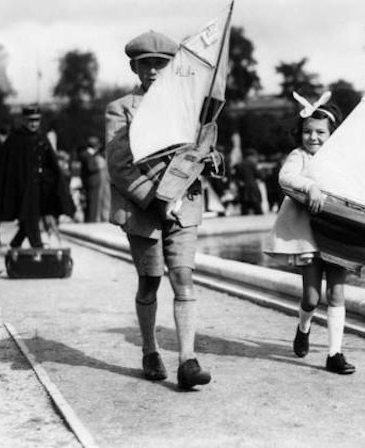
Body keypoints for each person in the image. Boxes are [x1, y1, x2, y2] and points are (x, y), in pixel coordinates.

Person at [105, 30, 211, 389]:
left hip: (184, 206)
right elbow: (120, 166)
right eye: (145, 64)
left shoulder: (190, 105)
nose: (152, 71)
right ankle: (150, 350)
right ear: (134, 67)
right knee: (149, 281)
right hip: (144, 209)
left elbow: (207, 147)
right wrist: (159, 198)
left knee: (183, 277)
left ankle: (187, 360)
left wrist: (210, 157)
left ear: (171, 69)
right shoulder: (120, 109)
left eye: (160, 65)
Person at [263, 94, 356, 375]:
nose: (312, 137)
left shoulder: (342, 160)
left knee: (337, 293)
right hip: (309, 236)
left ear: (332, 134)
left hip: (338, 233)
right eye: (307, 131)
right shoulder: (299, 157)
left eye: (320, 132)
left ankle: (334, 353)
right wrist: (311, 187)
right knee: (312, 298)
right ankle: (303, 328)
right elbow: (285, 177)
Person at [0, 107, 74, 248]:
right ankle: (37, 245)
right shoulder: (15, 139)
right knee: (29, 216)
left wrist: (50, 181)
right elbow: (5, 165)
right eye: (30, 121)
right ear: (24, 120)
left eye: (37, 121)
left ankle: (16, 244)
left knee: (31, 216)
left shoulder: (42, 137)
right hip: (21, 188)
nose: (34, 124)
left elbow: (51, 163)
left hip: (39, 188)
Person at [79, 136, 111, 222]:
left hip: (91, 181)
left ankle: (91, 219)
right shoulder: (88, 155)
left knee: (93, 201)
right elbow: (91, 168)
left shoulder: (87, 154)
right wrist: (99, 166)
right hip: (93, 181)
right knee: (93, 201)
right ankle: (92, 220)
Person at [233, 148, 263, 215]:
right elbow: (259, 175)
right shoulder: (252, 164)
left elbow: (236, 177)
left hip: (243, 191)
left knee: (244, 210)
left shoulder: (239, 165)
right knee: (258, 210)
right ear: (251, 156)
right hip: (253, 190)